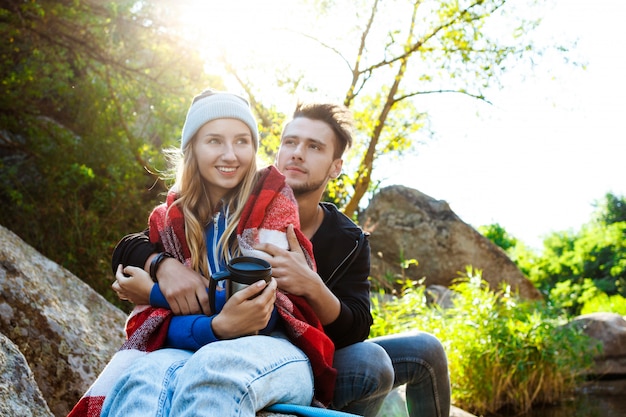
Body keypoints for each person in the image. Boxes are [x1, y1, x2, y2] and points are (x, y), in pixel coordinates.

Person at [112, 102, 451, 417]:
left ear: (336, 168)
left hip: (308, 348)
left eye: (314, 147)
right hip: (243, 338)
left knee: (414, 351)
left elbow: (357, 326)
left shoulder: (348, 239)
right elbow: (137, 242)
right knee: (373, 361)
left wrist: (312, 286)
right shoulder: (238, 198)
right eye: (290, 142)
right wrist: (162, 266)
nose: (297, 154)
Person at [68, 90, 337, 417]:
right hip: (192, 346)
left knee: (213, 372)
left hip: (276, 347)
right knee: (140, 381)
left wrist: (154, 293)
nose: (230, 155)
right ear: (192, 148)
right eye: (214, 141)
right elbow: (132, 258)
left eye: (241, 141)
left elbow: (256, 314)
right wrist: (166, 270)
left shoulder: (273, 203)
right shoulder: (170, 219)